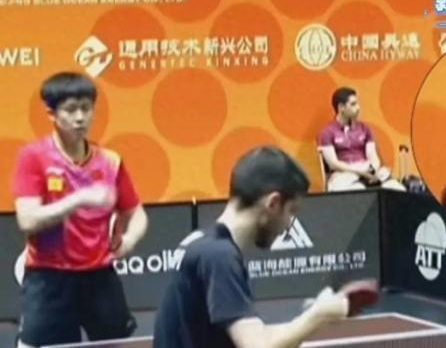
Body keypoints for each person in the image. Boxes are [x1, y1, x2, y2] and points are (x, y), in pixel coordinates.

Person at [153, 146, 349, 348]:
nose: (289, 224)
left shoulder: (201, 243)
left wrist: (312, 314)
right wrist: (319, 315)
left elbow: (258, 335)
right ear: (273, 203)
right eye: (291, 211)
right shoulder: (220, 256)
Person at [13, 72, 148, 348]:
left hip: (99, 275)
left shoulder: (110, 161)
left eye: (86, 109)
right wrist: (79, 199)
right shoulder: (34, 157)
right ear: (51, 114)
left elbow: (136, 213)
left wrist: (130, 239)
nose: (80, 118)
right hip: (49, 275)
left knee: (116, 345)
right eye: (71, 110)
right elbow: (27, 220)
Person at [318, 87, 405, 192]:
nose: (358, 108)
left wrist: (372, 168)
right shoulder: (327, 132)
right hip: (344, 174)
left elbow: (373, 156)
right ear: (341, 107)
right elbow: (333, 164)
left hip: (367, 170)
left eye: (357, 103)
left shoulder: (365, 128)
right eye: (353, 104)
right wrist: (359, 171)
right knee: (358, 191)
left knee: (398, 189)